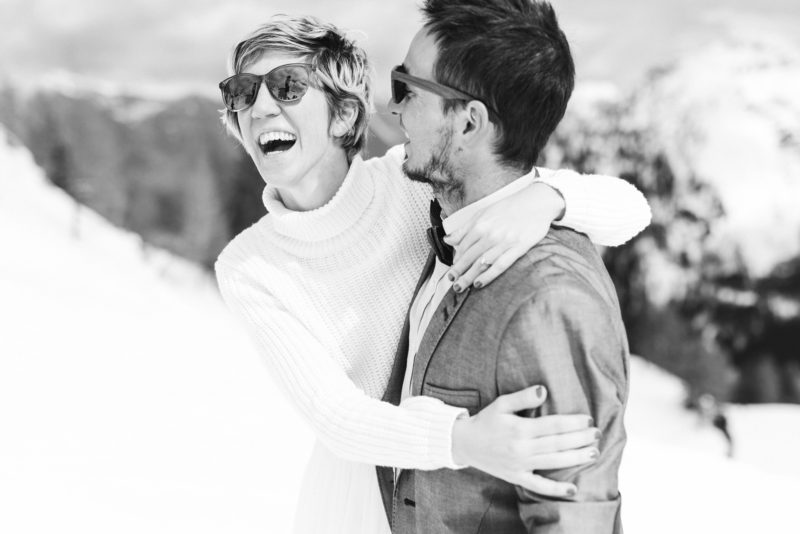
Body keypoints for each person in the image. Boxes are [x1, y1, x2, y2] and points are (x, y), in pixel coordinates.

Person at [214, 14, 649, 534]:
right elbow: (335, 415)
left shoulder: (413, 181)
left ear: (343, 114)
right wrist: (461, 439)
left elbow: (630, 208)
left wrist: (549, 198)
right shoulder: (249, 266)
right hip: (354, 504)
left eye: (287, 86)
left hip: (439, 497)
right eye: (242, 92)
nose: (260, 107)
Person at [379, 1, 629, 532]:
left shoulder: (547, 300)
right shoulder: (442, 219)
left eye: (406, 87)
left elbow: (573, 516)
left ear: (469, 123)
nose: (393, 107)